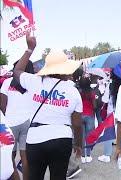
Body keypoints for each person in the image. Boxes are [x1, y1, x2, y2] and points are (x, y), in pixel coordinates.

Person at [13, 34, 83, 180]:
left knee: (34, 176)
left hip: (35, 139)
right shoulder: (73, 90)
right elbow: (77, 124)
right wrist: (78, 144)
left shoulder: (34, 81)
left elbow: (17, 71)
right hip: (62, 139)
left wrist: (30, 49)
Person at [0, 60, 35, 180]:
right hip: (28, 122)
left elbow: (2, 105)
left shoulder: (7, 82)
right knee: (26, 157)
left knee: (9, 157)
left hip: (10, 124)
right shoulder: (32, 83)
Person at [98, 72, 121, 163]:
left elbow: (105, 99)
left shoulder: (110, 85)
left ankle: (107, 155)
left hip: (111, 112)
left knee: (108, 133)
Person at [78, 75, 96, 163]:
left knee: (82, 137)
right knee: (89, 137)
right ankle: (88, 155)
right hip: (90, 115)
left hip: (80, 115)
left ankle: (82, 156)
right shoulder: (91, 92)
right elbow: (95, 105)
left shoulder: (78, 92)